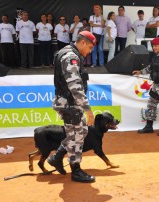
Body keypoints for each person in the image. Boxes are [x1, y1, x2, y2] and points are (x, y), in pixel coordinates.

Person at [47, 30, 96, 183]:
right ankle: (75, 170)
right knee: (77, 135)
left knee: (78, 132)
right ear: (82, 43)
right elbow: (75, 86)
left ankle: (57, 157)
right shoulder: (71, 57)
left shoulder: (67, 52)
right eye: (89, 48)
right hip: (70, 104)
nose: (89, 52)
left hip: (68, 103)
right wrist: (88, 110)